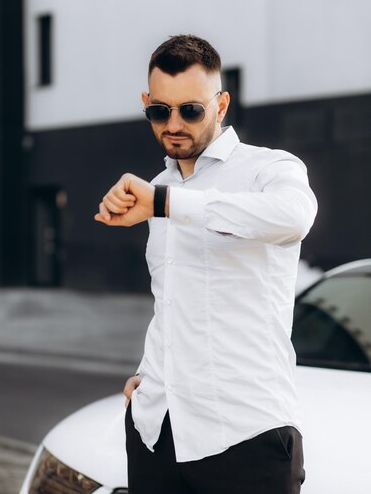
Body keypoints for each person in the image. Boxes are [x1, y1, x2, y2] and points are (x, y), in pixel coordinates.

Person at [94, 34, 318, 494]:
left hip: (246, 436)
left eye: (191, 110)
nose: (174, 123)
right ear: (146, 103)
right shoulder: (157, 187)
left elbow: (295, 217)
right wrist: (149, 371)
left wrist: (168, 203)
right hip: (157, 433)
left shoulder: (268, 169)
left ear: (221, 105)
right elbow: (173, 299)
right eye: (160, 111)